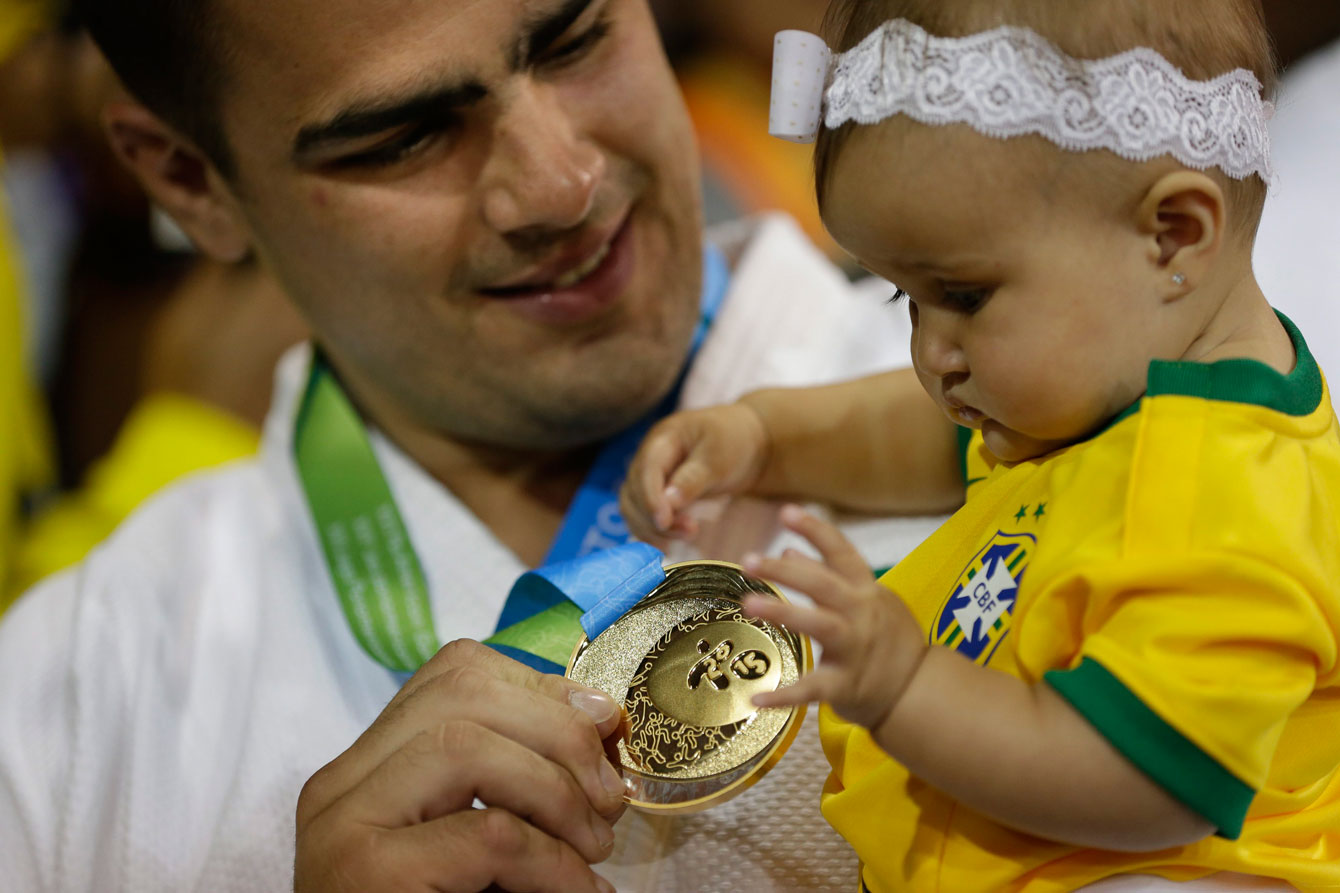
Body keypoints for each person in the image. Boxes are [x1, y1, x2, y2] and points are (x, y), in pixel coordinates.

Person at [0, 0, 948, 891]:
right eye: (404, 137)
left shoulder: (1015, 435)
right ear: (187, 179)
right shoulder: (67, 714)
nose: (561, 185)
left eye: (576, 38)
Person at [621, 1, 1340, 891]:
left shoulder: (1225, 497)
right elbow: (927, 437)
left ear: (1174, 235)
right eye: (905, 301)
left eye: (963, 296)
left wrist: (906, 684)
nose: (932, 354)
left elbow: (1147, 781)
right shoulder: (1096, 392)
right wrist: (766, 436)